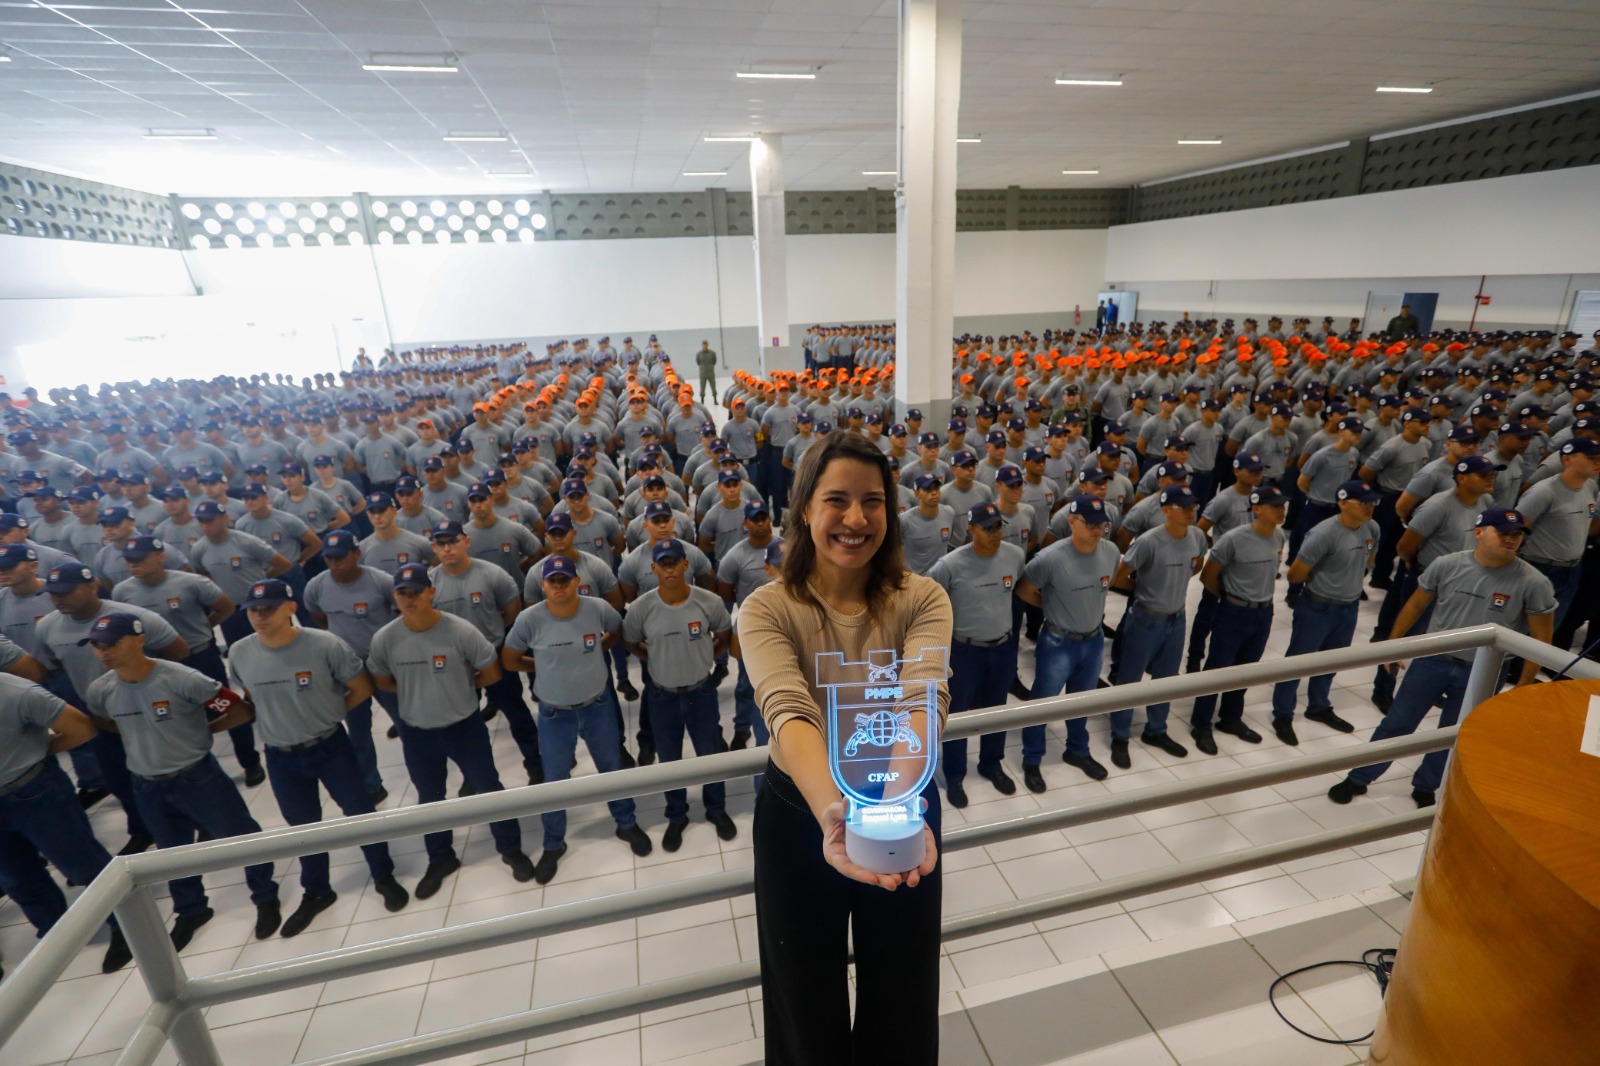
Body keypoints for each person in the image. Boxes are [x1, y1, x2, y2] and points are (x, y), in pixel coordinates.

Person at [737, 431, 950, 1064]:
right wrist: (838, 813)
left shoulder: (922, 598)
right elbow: (789, 712)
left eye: (873, 501)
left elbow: (922, 700)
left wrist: (891, 801)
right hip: (805, 811)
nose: (856, 519)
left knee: (905, 991)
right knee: (803, 994)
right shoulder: (766, 609)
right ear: (804, 507)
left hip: (901, 798)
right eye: (838, 500)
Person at [79, 611, 283, 949]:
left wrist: (199, 733)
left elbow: (239, 710)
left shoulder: (182, 678)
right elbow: (105, 722)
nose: (104, 652)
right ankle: (191, 909)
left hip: (197, 777)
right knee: (171, 853)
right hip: (147, 782)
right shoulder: (100, 690)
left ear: (139, 640)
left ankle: (265, 896)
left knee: (240, 837)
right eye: (97, 646)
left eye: (112, 644)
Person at [1329, 508, 1555, 807]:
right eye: (1503, 532)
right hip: (1434, 660)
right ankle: (1359, 778)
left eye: (1517, 535)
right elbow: (1415, 605)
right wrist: (1394, 644)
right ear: (1479, 532)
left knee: (1453, 734)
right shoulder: (1447, 565)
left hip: (1484, 671)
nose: (1511, 539)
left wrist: (1525, 683)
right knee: (1398, 723)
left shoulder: (1533, 583)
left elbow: (1541, 640)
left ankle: (1427, 785)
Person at [225, 579, 409, 936]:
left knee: (360, 815)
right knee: (304, 830)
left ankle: (383, 874)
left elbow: (360, 687)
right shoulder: (240, 652)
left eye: (268, 609)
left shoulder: (324, 645)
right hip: (280, 757)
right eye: (253, 610)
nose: (259, 617)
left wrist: (327, 715)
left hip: (329, 747)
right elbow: (251, 695)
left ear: (290, 609)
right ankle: (317, 891)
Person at [366, 563, 537, 899]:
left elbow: (490, 673)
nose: (410, 599)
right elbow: (383, 681)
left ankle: (510, 847)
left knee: (489, 788)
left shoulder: (460, 631)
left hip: (464, 726)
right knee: (430, 800)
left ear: (431, 592)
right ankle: (441, 858)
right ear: (394, 597)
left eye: (416, 591)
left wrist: (458, 688)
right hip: (417, 732)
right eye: (402, 593)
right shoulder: (385, 639)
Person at [503, 555, 652, 884]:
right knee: (554, 782)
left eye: (564, 580)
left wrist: (598, 649)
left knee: (611, 769)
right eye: (552, 581)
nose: (558, 586)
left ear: (576, 583)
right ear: (543, 585)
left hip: (597, 706)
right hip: (555, 714)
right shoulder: (530, 620)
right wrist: (541, 668)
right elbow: (510, 659)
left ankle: (625, 822)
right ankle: (553, 843)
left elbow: (615, 631)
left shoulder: (597, 608)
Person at [0, 672, 132, 975]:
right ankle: (56, 935)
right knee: (17, 879)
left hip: (35, 792)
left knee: (83, 864)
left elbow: (80, 727)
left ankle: (126, 925)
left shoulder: (15, 690)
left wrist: (35, 753)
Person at [624, 538, 737, 850]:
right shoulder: (642, 608)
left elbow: (724, 635)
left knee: (709, 756)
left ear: (686, 564)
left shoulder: (708, 602)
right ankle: (677, 815)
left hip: (701, 693)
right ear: (653, 568)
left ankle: (716, 809)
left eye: (675, 562)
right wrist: (657, 659)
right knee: (670, 760)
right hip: (662, 697)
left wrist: (704, 658)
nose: (669, 568)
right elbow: (632, 642)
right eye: (663, 563)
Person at [1270, 480, 1381, 744]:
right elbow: (1296, 574)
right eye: (1363, 503)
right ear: (1342, 503)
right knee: (1298, 661)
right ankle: (1282, 713)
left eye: (1372, 503)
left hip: (1349, 606)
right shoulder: (1323, 534)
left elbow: (1370, 559)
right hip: (1318, 606)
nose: (1369, 508)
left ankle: (1318, 706)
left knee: (1332, 660)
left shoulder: (1372, 528)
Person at [1017, 495, 1119, 782]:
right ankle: (1032, 757)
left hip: (1094, 640)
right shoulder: (1050, 558)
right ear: (1072, 522)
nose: (1097, 529)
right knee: (1043, 703)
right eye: (1090, 523)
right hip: (1058, 642)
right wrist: (1051, 608)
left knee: (1081, 701)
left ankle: (1077, 750)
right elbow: (1025, 589)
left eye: (1102, 524)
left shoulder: (1110, 552)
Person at [928, 502, 1024, 803]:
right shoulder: (950, 565)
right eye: (987, 528)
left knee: (996, 710)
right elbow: (928, 603)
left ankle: (991, 763)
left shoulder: (1015, 556)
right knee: (958, 714)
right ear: (971, 529)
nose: (995, 534)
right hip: (964, 651)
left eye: (998, 527)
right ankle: (955, 775)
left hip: (1002, 647)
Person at [1107, 486, 1206, 767]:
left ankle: (1156, 730)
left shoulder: (1197, 536)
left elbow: (1196, 566)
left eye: (1194, 507)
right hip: (1146, 618)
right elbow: (1119, 575)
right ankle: (1120, 735)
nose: (1191, 512)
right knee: (1130, 679)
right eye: (1184, 507)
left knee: (1165, 678)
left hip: (1177, 618)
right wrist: (1143, 591)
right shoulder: (1149, 541)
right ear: (1166, 510)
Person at [1188, 486, 1288, 752]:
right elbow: (1208, 575)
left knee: (1247, 668)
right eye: (1275, 506)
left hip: (1263, 612)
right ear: (1256, 509)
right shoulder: (1234, 539)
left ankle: (1231, 717)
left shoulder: (1278, 537)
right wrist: (1230, 599)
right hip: (1234, 611)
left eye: (1283, 505)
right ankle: (1201, 722)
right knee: (1218, 669)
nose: (1282, 510)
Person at [302, 530, 399, 798]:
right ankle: (371, 784)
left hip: (382, 663)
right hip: (347, 670)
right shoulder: (316, 586)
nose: (335, 563)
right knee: (358, 731)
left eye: (341, 557)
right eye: (329, 558)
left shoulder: (381, 582)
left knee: (406, 720)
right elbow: (319, 618)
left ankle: (426, 768)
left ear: (356, 554)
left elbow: (400, 613)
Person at [697, 341, 718, 405]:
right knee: (702, 388)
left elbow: (714, 361)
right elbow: (698, 362)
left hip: (711, 373)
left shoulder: (712, 353)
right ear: (701, 346)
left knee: (713, 387)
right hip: (703, 374)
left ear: (708, 345)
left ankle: (715, 400)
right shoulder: (699, 354)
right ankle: (702, 400)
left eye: (705, 345)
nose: (704, 346)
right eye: (703, 345)